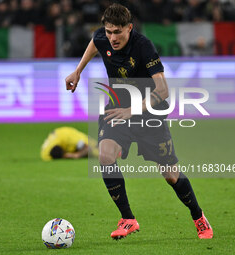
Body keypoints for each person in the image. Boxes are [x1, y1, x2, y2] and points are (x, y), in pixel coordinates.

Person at [65, 3, 213, 240]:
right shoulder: (102, 37)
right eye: (109, 31)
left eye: (118, 32)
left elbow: (163, 90)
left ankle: (198, 217)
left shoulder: (143, 46)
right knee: (105, 155)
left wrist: (132, 110)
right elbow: (94, 43)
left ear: (129, 28)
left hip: (148, 115)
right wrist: (78, 71)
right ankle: (128, 219)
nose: (112, 38)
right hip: (117, 111)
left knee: (171, 175)